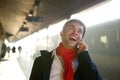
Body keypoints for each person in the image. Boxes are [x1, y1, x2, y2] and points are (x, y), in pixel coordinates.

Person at [29, 19, 102, 80]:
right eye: (71, 28)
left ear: (81, 38)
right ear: (61, 33)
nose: (75, 32)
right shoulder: (40, 62)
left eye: (80, 31)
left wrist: (84, 56)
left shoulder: (85, 62)